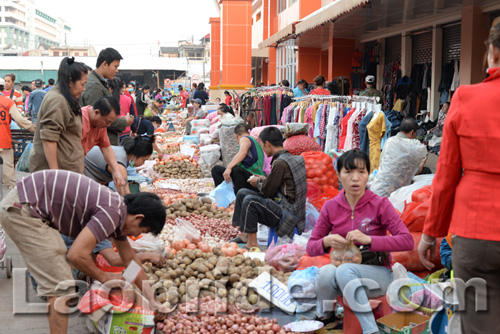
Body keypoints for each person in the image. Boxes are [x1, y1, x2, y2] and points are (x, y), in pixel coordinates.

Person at [0, 170, 168, 334]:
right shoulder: (112, 213)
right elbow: (77, 254)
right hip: (22, 209)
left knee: (62, 278)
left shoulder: (118, 211)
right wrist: (104, 277)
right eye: (142, 230)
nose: (137, 236)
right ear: (137, 217)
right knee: (61, 287)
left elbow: (131, 261)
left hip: (27, 203)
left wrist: (152, 301)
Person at [418, 18, 500, 334]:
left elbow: (446, 175)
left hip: (475, 230)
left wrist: (430, 233)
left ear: (492, 52)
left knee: (479, 321)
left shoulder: (466, 97)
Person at [307, 150, 414, 331]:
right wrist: (326, 241)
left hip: (378, 275)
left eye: (361, 172)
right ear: (339, 175)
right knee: (325, 273)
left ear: (368, 175)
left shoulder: (380, 204)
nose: (355, 178)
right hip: (345, 280)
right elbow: (311, 248)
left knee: (344, 270)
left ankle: (370, 330)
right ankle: (326, 316)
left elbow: (407, 241)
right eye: (348, 172)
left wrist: (369, 240)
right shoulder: (330, 207)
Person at [232, 127, 307, 249]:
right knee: (242, 193)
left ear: (267, 143)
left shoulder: (280, 163)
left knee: (250, 201)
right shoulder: (293, 158)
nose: (261, 148)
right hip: (290, 206)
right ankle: (245, 234)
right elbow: (282, 184)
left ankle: (252, 243)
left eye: (261, 144)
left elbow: (268, 191)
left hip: (287, 214)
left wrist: (258, 182)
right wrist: (263, 178)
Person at [30, 57, 88, 174]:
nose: (84, 89)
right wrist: (55, 175)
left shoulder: (64, 97)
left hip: (67, 172)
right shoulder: (58, 100)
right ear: (70, 81)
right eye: (82, 84)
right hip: (60, 175)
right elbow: (48, 139)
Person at [80, 47, 130, 145]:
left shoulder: (99, 82)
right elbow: (99, 118)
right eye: (115, 67)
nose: (117, 71)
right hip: (98, 145)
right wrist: (124, 123)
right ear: (105, 64)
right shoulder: (94, 85)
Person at [370, 118, 427, 197]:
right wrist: (421, 167)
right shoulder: (414, 147)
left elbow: (382, 164)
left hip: (377, 189)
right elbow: (414, 170)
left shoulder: (389, 141)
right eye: (415, 134)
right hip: (394, 195)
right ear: (412, 132)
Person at [81, 96, 127, 192]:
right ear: (97, 112)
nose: (108, 125)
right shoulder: (80, 120)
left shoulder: (100, 125)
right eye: (107, 121)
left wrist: (116, 171)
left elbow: (106, 147)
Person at [85, 135, 154, 194]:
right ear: (135, 155)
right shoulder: (120, 161)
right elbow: (125, 193)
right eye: (143, 159)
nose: (143, 163)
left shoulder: (125, 156)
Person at [0, 78, 35, 188]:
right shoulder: (7, 102)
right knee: (9, 181)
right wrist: (34, 128)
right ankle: (10, 204)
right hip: (3, 142)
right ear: (2, 87)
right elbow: (19, 120)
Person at [211, 123, 265, 195]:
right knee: (217, 169)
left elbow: (242, 153)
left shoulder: (245, 139)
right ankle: (226, 195)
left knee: (235, 169)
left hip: (254, 178)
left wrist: (229, 167)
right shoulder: (254, 141)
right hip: (253, 176)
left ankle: (235, 196)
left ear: (236, 136)